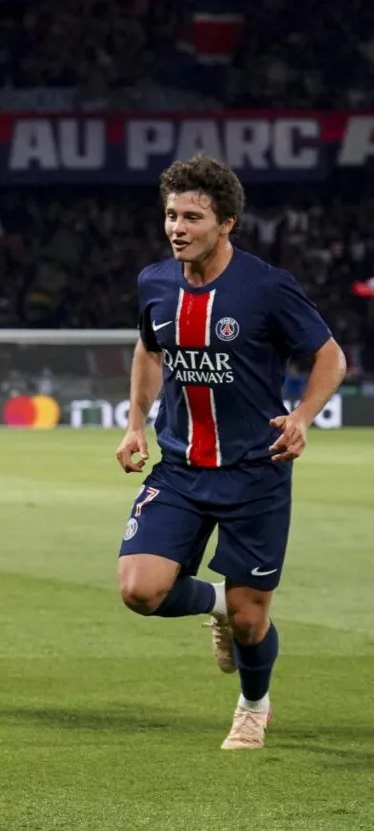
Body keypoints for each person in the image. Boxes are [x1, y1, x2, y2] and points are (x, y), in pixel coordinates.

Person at [115, 154, 346, 750]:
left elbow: (330, 356)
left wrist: (302, 416)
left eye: (192, 217)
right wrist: (136, 424)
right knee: (139, 589)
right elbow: (149, 349)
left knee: (251, 619)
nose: (177, 228)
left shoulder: (266, 287)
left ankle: (253, 706)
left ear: (227, 223)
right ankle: (219, 602)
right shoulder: (155, 283)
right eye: (171, 215)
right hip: (180, 468)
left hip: (255, 472)